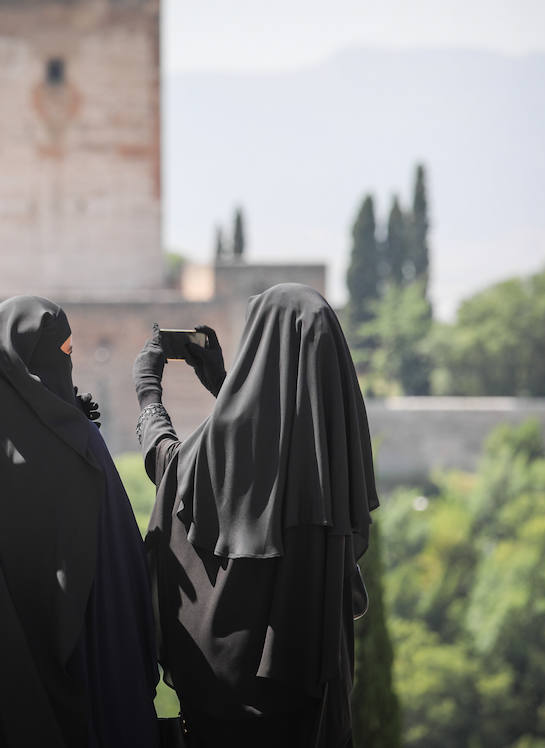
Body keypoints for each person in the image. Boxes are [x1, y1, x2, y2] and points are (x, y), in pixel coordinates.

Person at [132, 284, 378, 748]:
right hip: (317, 708)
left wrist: (149, 394)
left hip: (237, 708)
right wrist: (225, 385)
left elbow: (176, 469)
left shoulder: (229, 447)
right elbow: (273, 447)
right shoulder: (335, 451)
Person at [0, 296, 160, 748]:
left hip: (1, 671)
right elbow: (118, 557)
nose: (70, 364)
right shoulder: (79, 445)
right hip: (88, 660)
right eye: (64, 353)